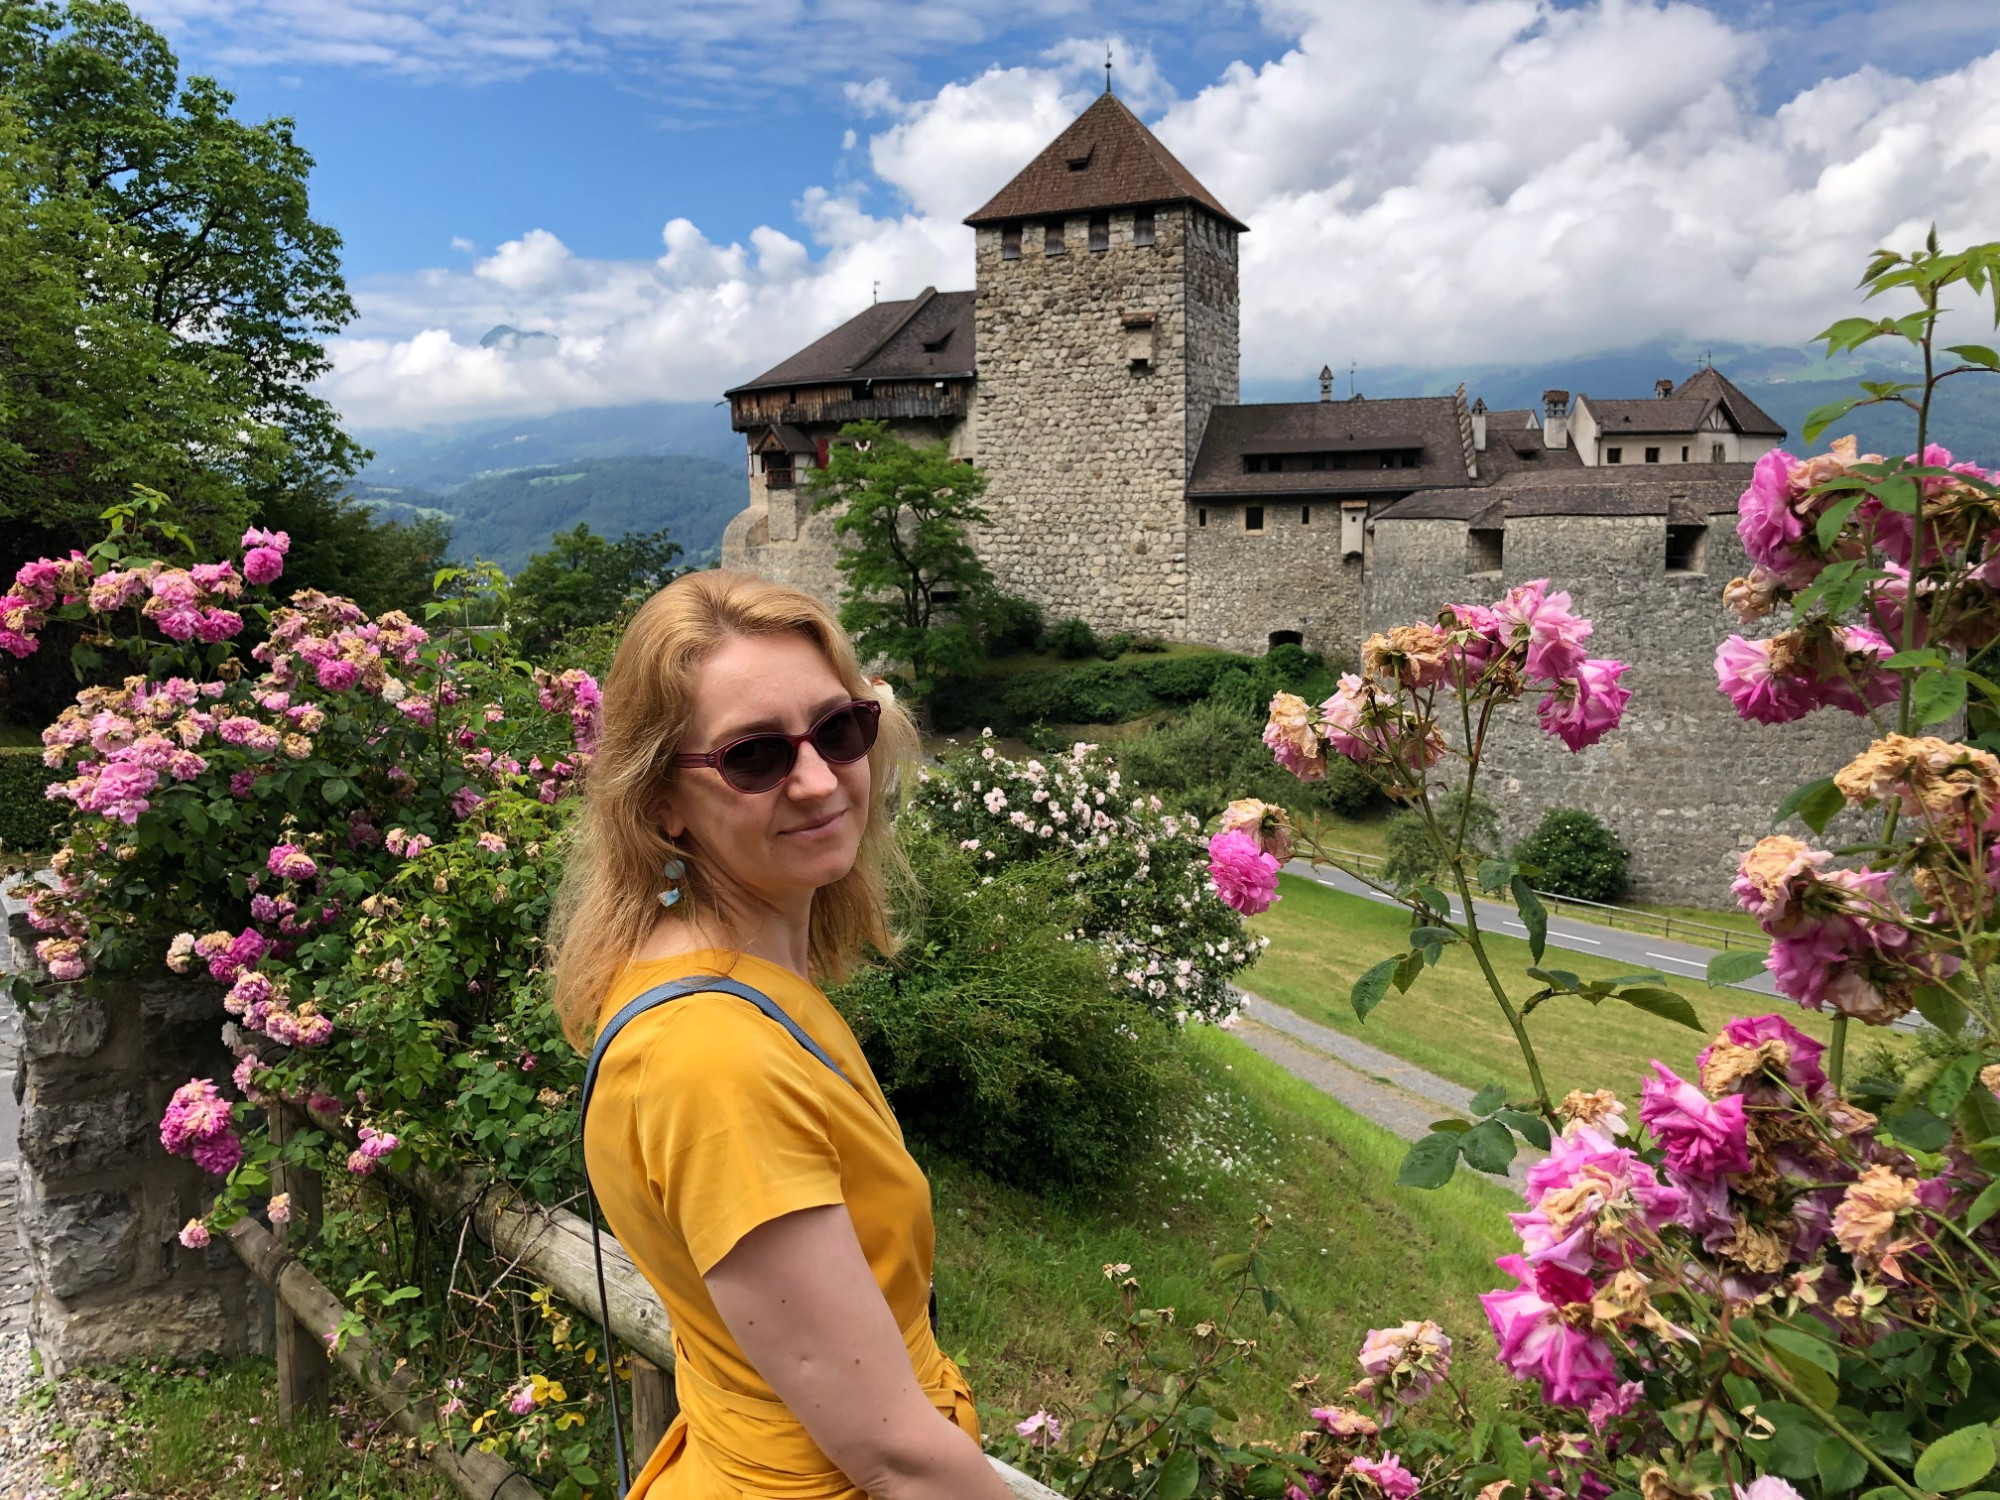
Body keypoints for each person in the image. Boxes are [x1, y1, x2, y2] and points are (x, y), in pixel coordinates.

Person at [551, 571, 1010, 1500]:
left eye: (839, 729)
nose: (817, 779)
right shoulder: (711, 1059)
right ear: (660, 806)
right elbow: (893, 1457)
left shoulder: (727, 976)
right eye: (753, 757)